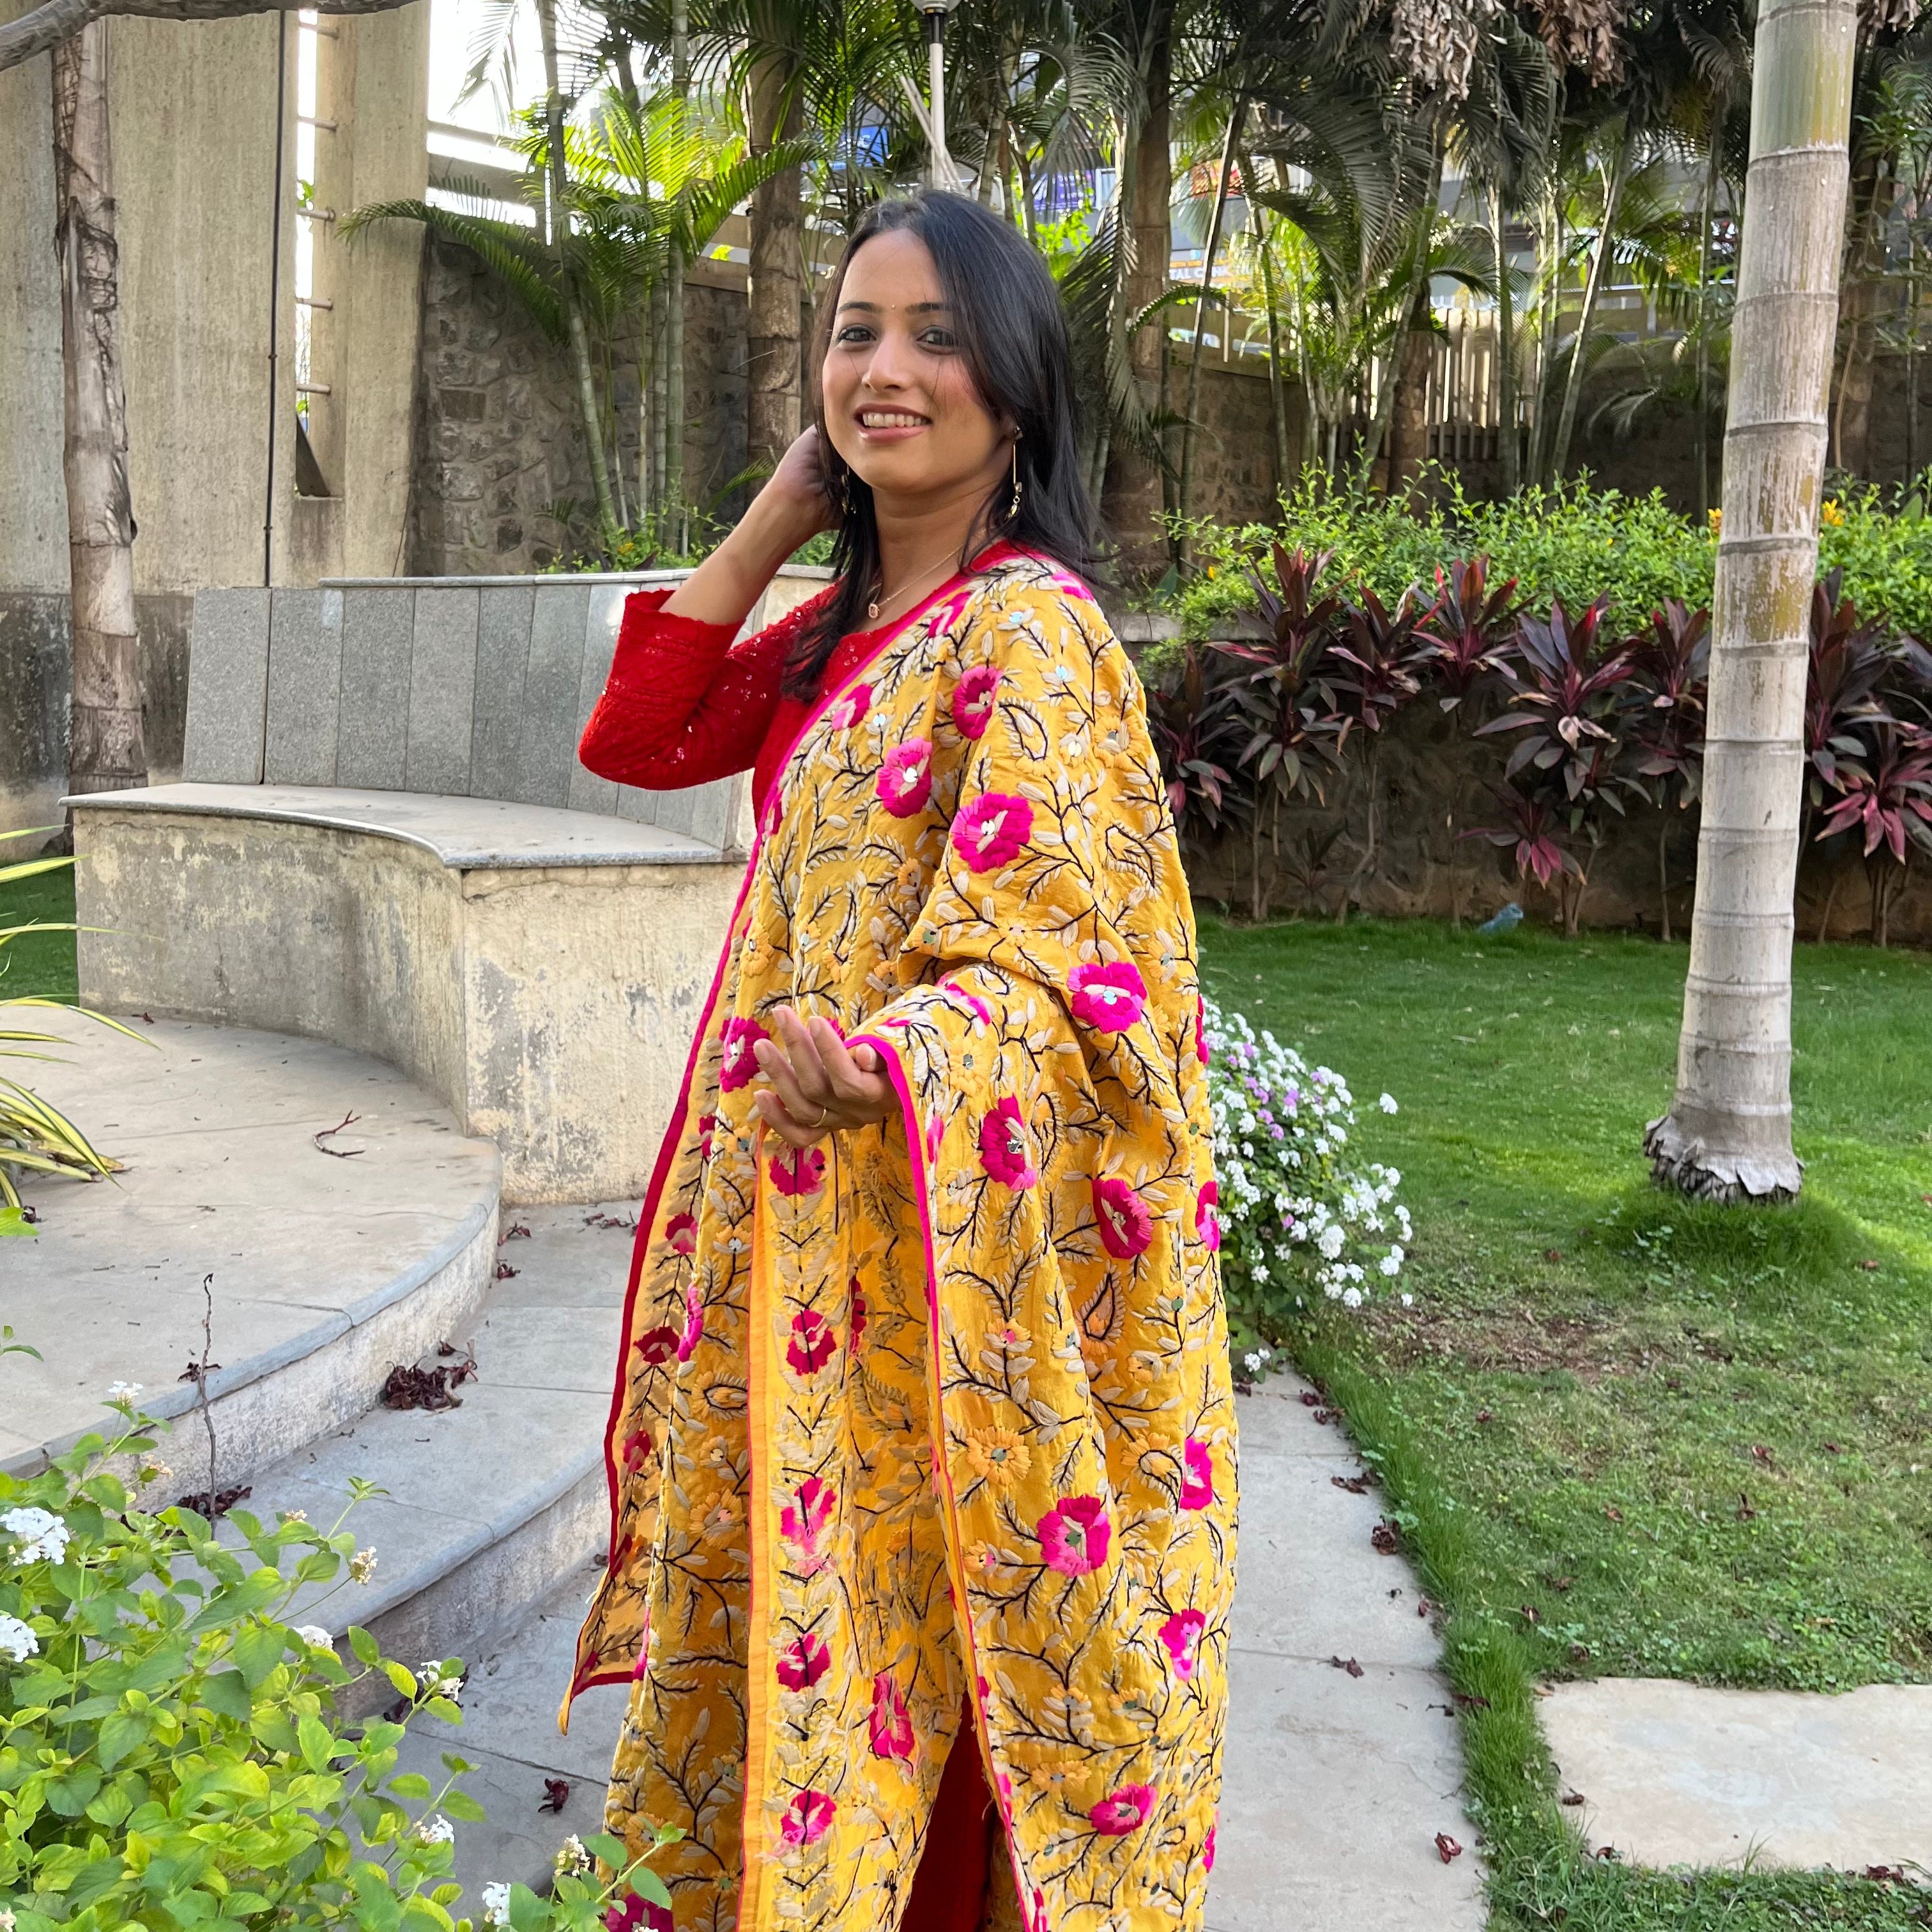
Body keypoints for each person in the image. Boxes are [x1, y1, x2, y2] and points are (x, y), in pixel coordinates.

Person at [562, 189, 1234, 1932]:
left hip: (929, 1237)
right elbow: (635, 735)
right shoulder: (833, 637)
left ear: (1017, 390)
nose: (888, 368)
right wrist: (788, 508)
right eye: (856, 331)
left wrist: (892, 1065)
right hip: (804, 1228)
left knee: (926, 1622)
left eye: (940, 338)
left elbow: (1073, 961)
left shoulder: (1034, 630)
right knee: (807, 1613)